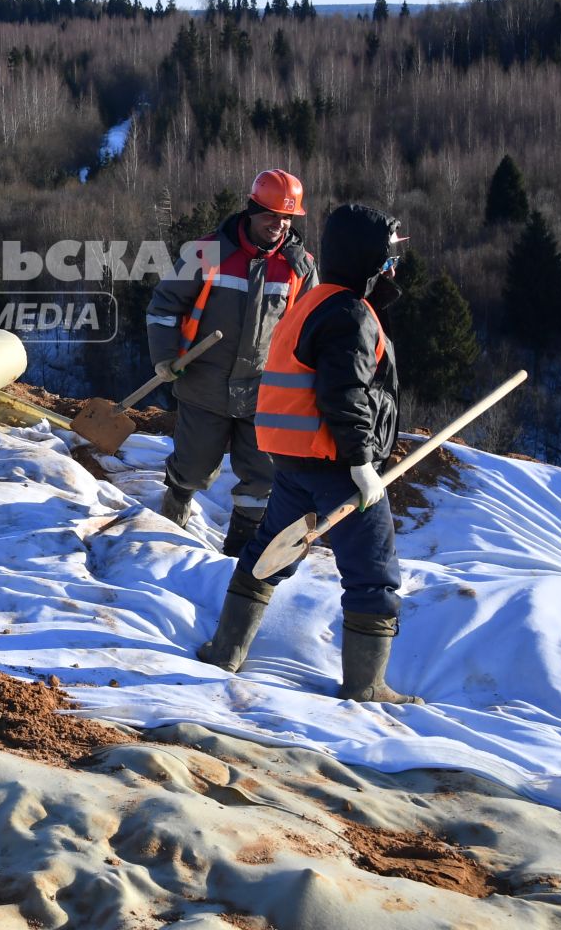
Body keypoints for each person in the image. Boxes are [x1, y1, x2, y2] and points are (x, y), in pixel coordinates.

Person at [195, 202, 415, 704]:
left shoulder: (315, 300)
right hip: (337, 463)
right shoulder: (351, 314)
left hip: (293, 462)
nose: (393, 269)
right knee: (374, 574)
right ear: (367, 260)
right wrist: (362, 464)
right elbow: (344, 394)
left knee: (270, 553)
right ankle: (367, 686)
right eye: (386, 259)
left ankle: (225, 651)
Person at [145, 169, 315, 554]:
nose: (279, 224)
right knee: (193, 467)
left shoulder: (301, 267)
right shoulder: (207, 253)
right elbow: (163, 307)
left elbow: (314, 329)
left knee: (261, 477)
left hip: (267, 394)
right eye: (272, 214)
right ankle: (174, 507)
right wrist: (164, 357)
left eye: (287, 218)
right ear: (252, 210)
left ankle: (239, 550)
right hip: (205, 385)